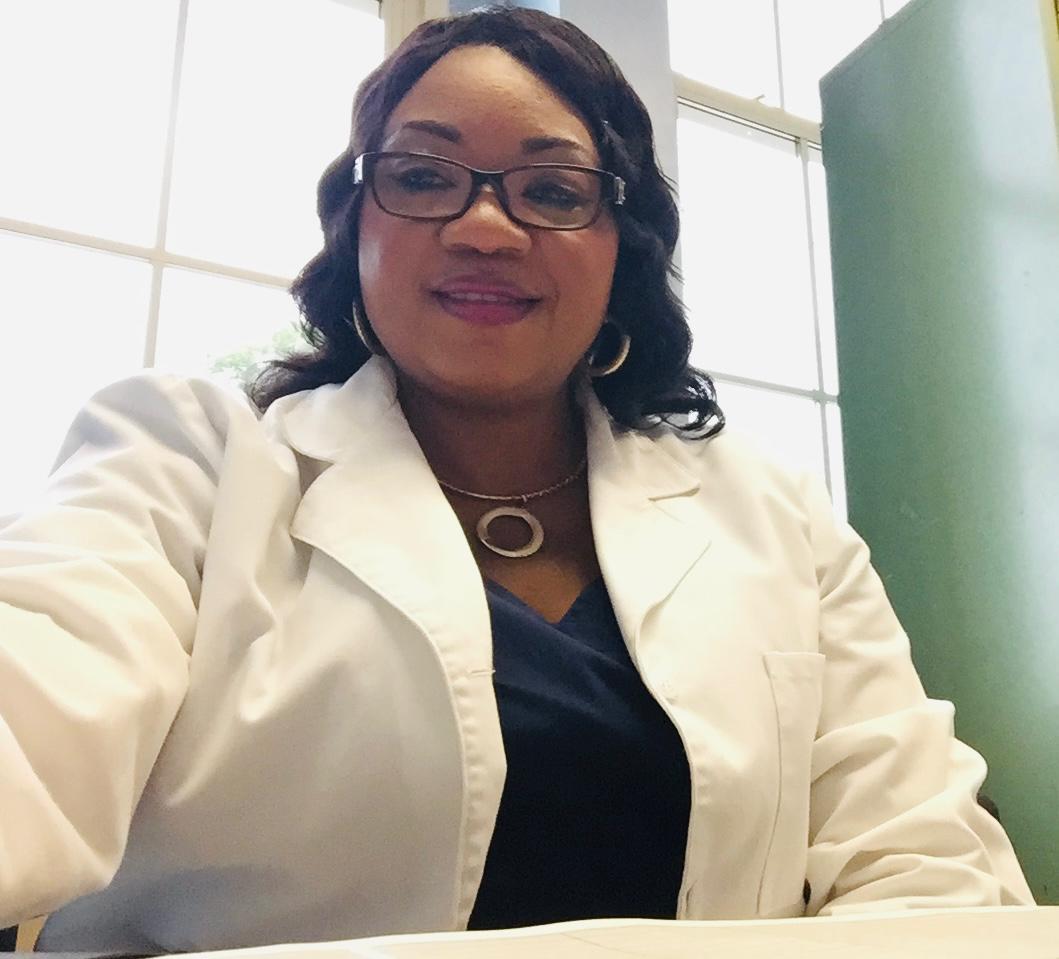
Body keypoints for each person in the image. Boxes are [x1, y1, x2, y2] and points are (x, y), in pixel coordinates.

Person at [0, 5, 1034, 953]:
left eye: (551, 191)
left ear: (622, 249)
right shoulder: (186, 459)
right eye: (422, 177)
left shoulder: (777, 517)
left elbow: (925, 863)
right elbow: (35, 693)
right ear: (356, 225)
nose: (485, 228)